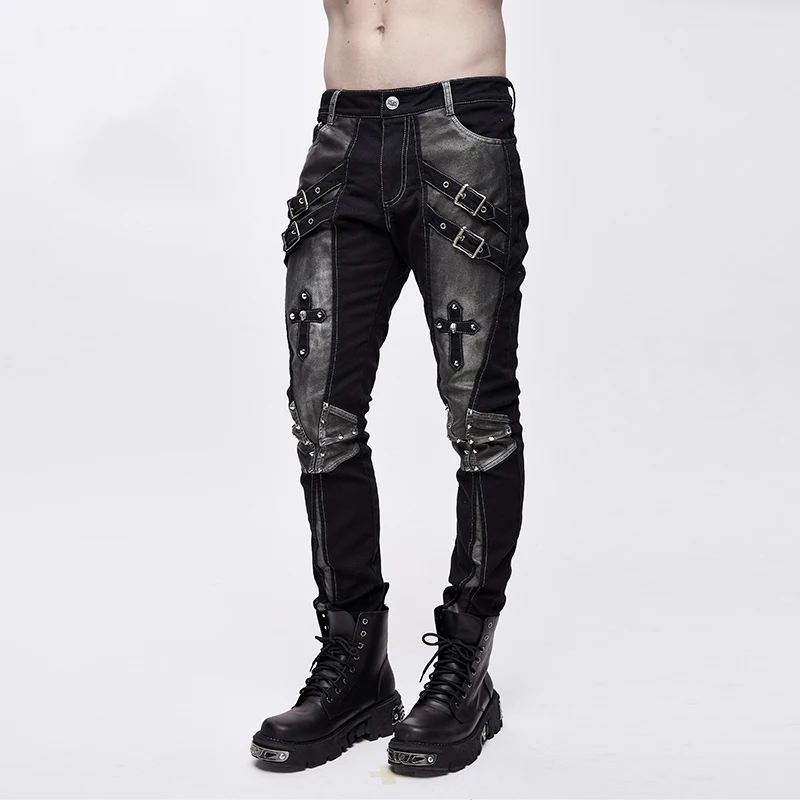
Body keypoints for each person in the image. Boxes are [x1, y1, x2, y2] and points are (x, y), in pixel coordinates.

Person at [251, 0, 528, 775]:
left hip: (459, 130)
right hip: (342, 135)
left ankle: (466, 665)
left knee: (479, 418)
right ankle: (356, 665)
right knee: (320, 416)